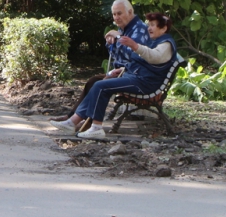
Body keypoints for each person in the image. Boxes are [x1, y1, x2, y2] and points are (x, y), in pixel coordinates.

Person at [50, 12, 177, 140]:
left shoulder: (166, 45)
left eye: (153, 25)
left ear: (164, 28)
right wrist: (122, 68)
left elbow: (154, 57)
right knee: (98, 83)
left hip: (144, 83)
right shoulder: (155, 41)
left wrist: (135, 46)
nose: (149, 28)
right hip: (137, 78)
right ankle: (72, 122)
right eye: (149, 24)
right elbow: (145, 61)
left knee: (101, 86)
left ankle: (96, 128)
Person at [51, 0, 151, 123]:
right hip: (122, 72)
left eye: (119, 13)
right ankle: (72, 117)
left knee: (99, 84)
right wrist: (110, 43)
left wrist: (118, 38)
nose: (116, 17)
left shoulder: (139, 29)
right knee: (92, 81)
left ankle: (82, 122)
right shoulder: (124, 28)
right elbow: (117, 55)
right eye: (114, 14)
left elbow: (134, 54)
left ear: (130, 12)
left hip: (133, 74)